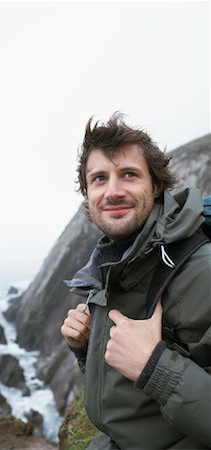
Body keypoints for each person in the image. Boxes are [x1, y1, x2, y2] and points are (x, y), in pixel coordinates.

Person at [61, 113, 211, 449]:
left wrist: (155, 366)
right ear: (88, 193)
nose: (112, 191)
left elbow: (148, 368)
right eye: (99, 179)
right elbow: (128, 388)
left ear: (156, 185)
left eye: (128, 174)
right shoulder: (114, 265)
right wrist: (87, 349)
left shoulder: (203, 272)